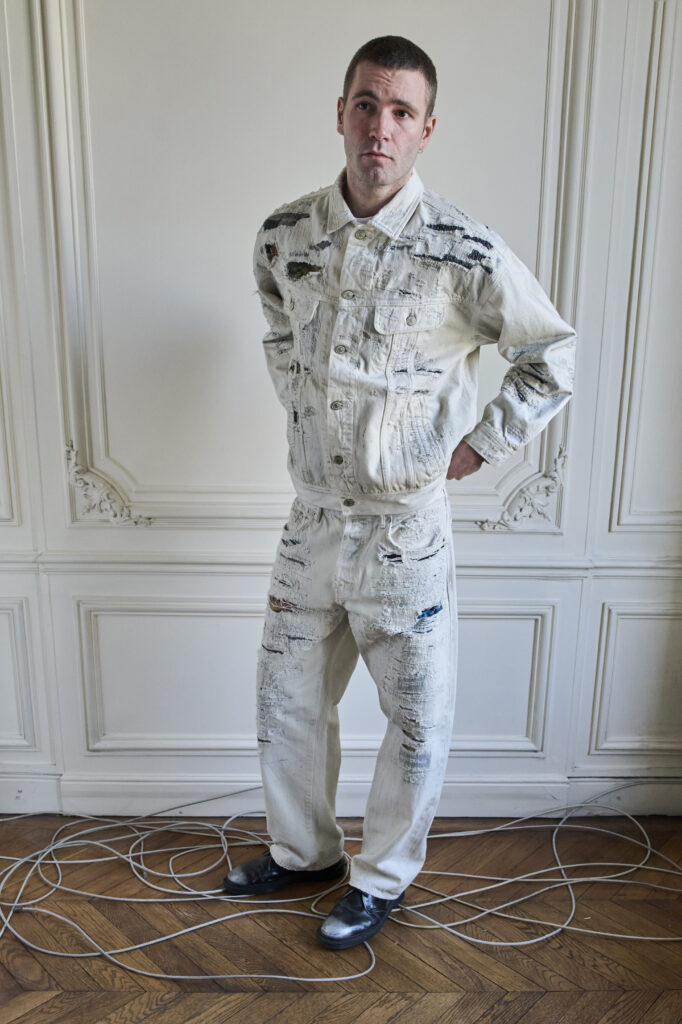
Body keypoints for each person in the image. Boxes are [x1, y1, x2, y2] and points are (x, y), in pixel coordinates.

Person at [224, 35, 576, 950]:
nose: (379, 127)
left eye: (401, 112)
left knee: (416, 719)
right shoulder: (284, 234)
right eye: (366, 105)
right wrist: (300, 404)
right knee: (285, 702)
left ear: (426, 129)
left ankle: (380, 880)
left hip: (403, 533)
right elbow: (277, 323)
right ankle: (305, 853)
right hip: (311, 521)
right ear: (340, 114)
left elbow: (551, 355)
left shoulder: (464, 248)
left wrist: (476, 447)